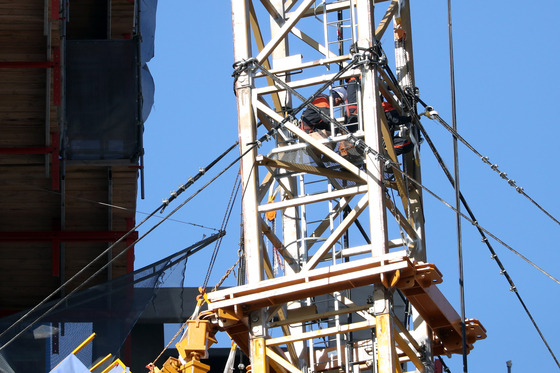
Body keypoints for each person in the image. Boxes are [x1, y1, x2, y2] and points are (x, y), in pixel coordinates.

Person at [300, 87, 347, 157]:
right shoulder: (322, 100)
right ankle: (327, 152)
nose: (338, 104)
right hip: (307, 129)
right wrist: (340, 128)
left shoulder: (325, 102)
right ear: (336, 97)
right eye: (339, 101)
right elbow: (327, 118)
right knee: (334, 127)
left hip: (314, 126)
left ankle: (327, 152)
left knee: (334, 128)